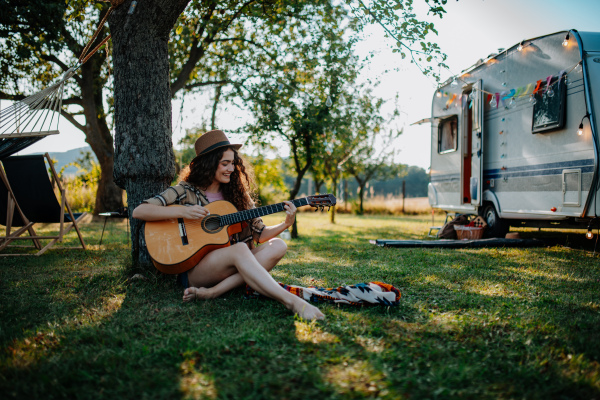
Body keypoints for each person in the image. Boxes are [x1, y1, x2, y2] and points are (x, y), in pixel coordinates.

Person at [132, 129, 324, 320]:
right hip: (195, 270)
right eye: (225, 163)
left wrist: (286, 223)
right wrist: (183, 211)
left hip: (232, 265)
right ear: (208, 164)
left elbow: (261, 234)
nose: (231, 169)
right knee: (240, 249)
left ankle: (214, 292)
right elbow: (139, 211)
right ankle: (293, 302)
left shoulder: (238, 195)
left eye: (233, 163)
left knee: (279, 245)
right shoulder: (184, 191)